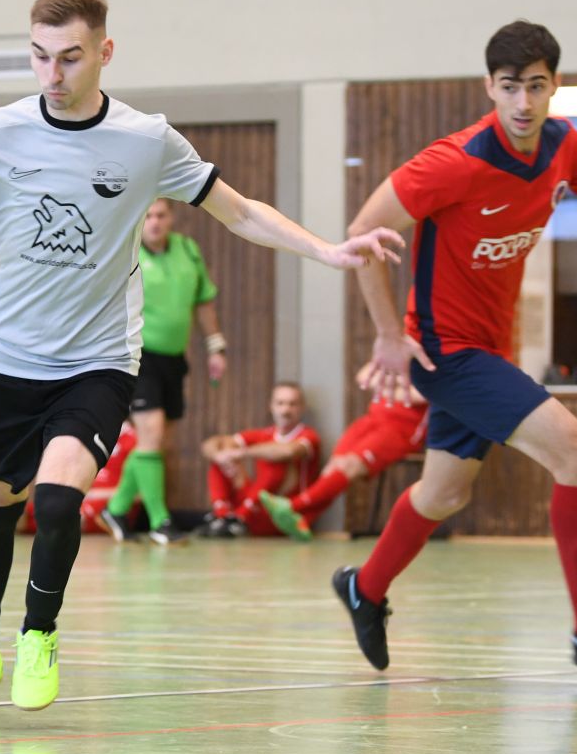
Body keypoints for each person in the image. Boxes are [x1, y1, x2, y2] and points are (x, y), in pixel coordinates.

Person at [0, 0, 403, 720]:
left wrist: (329, 250)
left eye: (70, 57)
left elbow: (239, 211)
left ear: (104, 51)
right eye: (40, 57)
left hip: (96, 357)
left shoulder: (146, 140)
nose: (53, 74)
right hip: (4, 356)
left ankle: (39, 635)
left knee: (58, 496)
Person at [334, 20, 577, 673]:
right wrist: (387, 335)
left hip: (491, 348)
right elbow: (361, 233)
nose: (523, 102)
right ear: (489, 86)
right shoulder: (453, 162)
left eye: (536, 86)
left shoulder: (565, 146)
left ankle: (365, 587)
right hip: (446, 351)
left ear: (555, 86)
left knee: (443, 495)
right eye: (511, 86)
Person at [97, 197, 227, 546]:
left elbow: (203, 300)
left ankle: (117, 509)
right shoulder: (127, 252)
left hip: (174, 357)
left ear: (171, 218)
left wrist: (215, 345)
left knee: (159, 441)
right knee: (151, 434)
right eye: (148, 215)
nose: (154, 222)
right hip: (138, 356)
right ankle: (160, 521)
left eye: (161, 215)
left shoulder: (188, 250)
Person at [256, 369, 428, 542]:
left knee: (350, 465)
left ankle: (293, 505)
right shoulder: (394, 355)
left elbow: (423, 395)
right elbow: (363, 376)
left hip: (400, 431)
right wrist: (400, 386)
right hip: (371, 420)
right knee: (334, 466)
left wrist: (388, 383)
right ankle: (303, 520)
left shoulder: (431, 361)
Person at [198, 382, 322, 538]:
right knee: (222, 457)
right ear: (271, 406)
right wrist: (221, 456)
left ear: (302, 407)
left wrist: (241, 453)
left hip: (286, 513)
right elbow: (210, 444)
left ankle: (240, 518)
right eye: (280, 403)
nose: (285, 410)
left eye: (292, 404)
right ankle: (222, 515)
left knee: (275, 463)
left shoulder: (308, 435)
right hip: (256, 507)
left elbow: (288, 451)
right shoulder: (264, 434)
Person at [19, 422, 138, 535]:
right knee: (26, 511)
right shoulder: (89, 431)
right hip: (80, 494)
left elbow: (142, 490)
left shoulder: (134, 438)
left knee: (63, 517)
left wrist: (96, 494)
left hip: (106, 503)